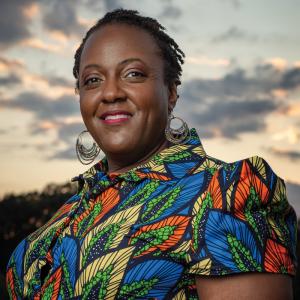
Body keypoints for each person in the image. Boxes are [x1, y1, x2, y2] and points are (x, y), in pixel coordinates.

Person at [6, 9, 297, 300]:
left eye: (133, 74)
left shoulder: (225, 192)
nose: (110, 93)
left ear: (171, 92)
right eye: (92, 80)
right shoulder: (69, 211)